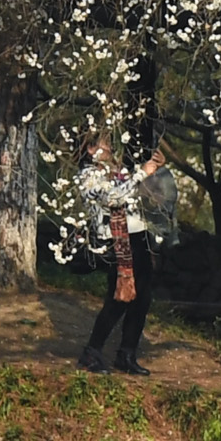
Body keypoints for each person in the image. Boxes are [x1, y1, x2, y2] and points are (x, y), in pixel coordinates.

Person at [76, 136, 153, 374]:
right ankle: (92, 351)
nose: (110, 149)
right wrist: (142, 174)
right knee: (119, 297)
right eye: (104, 145)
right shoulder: (88, 176)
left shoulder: (115, 171)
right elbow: (113, 198)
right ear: (90, 149)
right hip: (116, 239)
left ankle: (127, 353)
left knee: (142, 297)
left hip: (137, 235)